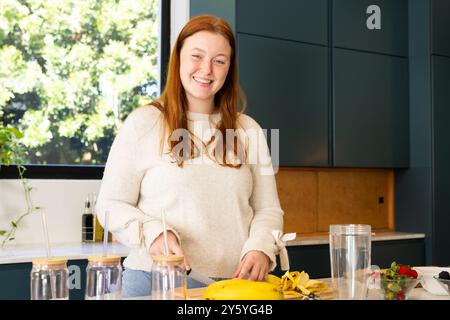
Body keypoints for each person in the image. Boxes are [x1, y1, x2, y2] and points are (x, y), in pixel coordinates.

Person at [96, 14, 285, 298]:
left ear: (229, 68)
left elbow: (268, 210)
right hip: (154, 281)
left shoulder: (249, 130)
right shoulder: (144, 123)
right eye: (196, 56)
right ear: (179, 59)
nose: (206, 69)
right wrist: (153, 232)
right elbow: (109, 204)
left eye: (219, 61)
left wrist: (260, 246)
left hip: (234, 287)